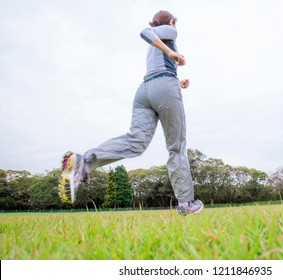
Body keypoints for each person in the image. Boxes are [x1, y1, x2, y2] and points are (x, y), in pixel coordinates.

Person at [58, 10, 203, 216]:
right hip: (164, 87)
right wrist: (172, 54)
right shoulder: (169, 31)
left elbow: (158, 69)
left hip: (145, 91)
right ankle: (186, 203)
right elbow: (145, 32)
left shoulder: (155, 47)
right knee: (176, 147)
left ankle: (85, 162)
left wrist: (177, 82)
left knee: (136, 141)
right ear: (171, 22)